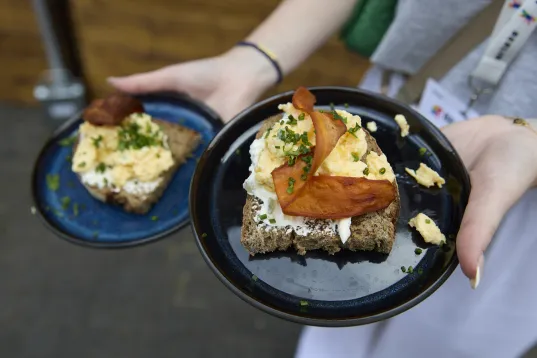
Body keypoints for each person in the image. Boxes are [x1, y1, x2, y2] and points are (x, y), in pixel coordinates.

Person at [109, 0, 537, 356]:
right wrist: (255, 59)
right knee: (333, 324)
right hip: (393, 105)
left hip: (517, 189)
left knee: (449, 344)